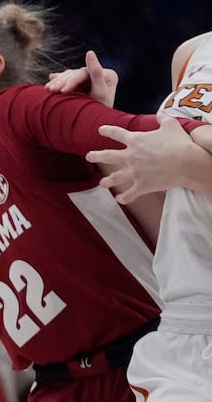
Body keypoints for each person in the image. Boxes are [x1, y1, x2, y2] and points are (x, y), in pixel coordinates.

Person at [0, 0, 212, 400]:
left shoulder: (20, 113)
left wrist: (186, 136)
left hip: (150, 361)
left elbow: (153, 136)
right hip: (54, 387)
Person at [52, 33, 212, 400]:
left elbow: (185, 169)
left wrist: (190, 166)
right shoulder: (191, 53)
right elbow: (175, 211)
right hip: (184, 329)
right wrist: (102, 132)